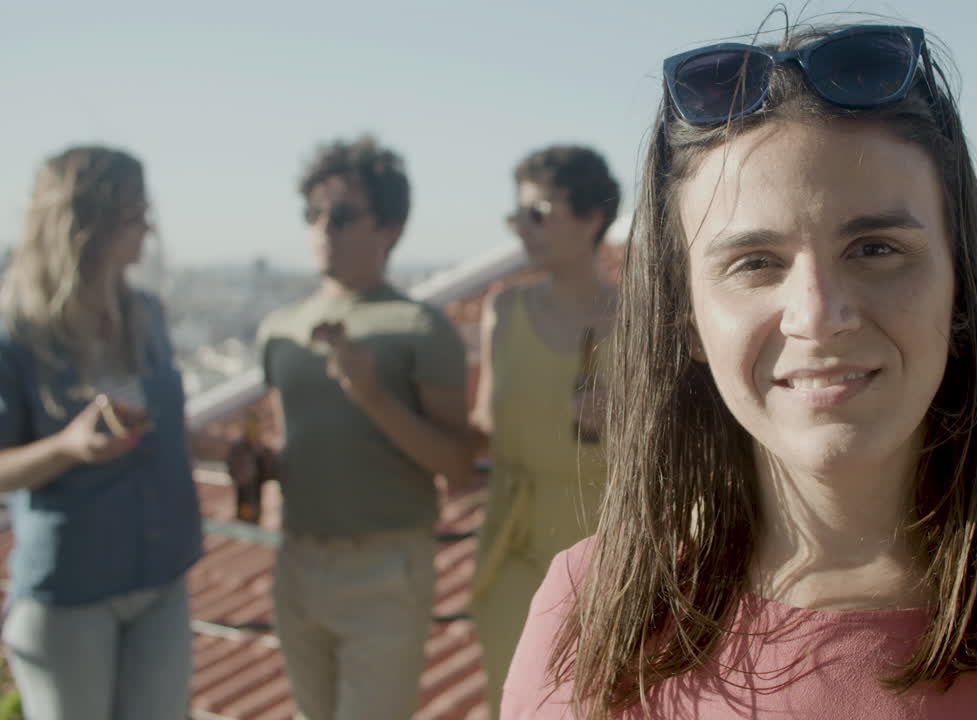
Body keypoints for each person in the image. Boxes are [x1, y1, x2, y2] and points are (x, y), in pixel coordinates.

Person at [502, 23, 977, 719]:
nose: (820, 313)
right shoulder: (587, 610)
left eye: (875, 249)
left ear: (963, 285)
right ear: (686, 317)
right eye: (755, 264)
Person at [230, 136, 472, 719]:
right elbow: (294, 444)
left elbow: (458, 464)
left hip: (385, 570)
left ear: (389, 227)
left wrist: (371, 397)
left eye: (340, 215)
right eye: (312, 214)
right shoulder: (280, 330)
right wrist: (261, 466)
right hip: (297, 564)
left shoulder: (421, 327)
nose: (322, 228)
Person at [0, 146, 203, 720]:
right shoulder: (19, 335)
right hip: (71, 587)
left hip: (161, 573)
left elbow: (167, 425)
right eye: (134, 211)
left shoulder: (147, 314)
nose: (148, 226)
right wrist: (67, 448)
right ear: (85, 222)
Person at [468, 145, 620, 716]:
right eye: (517, 215)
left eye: (538, 213)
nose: (522, 229)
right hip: (512, 541)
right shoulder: (501, 311)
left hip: (608, 543)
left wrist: (622, 422)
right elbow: (485, 421)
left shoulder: (640, 316)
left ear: (590, 218)